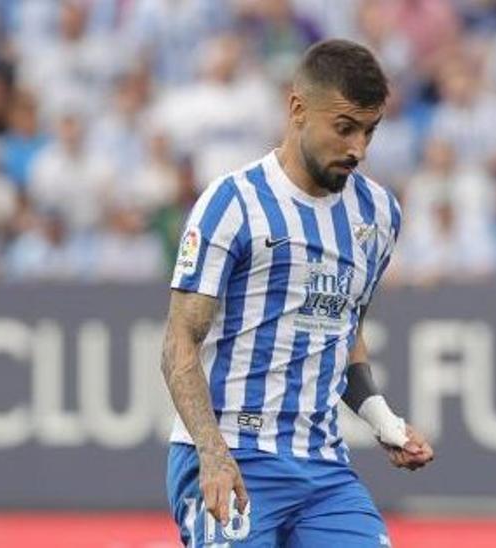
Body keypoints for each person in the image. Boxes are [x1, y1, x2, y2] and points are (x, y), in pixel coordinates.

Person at [160, 39, 434, 547]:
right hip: (233, 454)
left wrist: (383, 419)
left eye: (370, 131)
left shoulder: (378, 215)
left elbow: (344, 331)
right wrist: (212, 454)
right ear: (298, 110)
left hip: (323, 467)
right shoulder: (232, 204)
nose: (358, 148)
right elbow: (178, 343)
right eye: (345, 128)